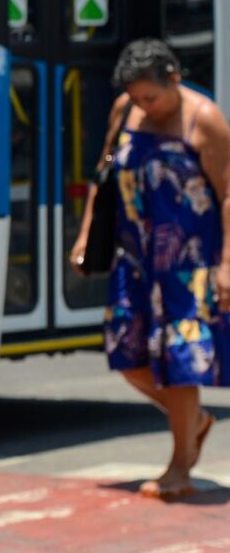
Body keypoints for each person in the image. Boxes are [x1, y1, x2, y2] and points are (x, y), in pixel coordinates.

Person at [72, 38, 229, 499]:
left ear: (174, 79)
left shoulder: (205, 120)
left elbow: (228, 195)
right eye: (137, 97)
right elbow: (103, 174)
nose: (144, 106)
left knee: (178, 364)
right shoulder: (124, 111)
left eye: (152, 97)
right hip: (135, 259)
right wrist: (85, 235)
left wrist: (227, 265)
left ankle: (180, 468)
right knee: (128, 356)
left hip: (186, 265)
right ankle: (193, 422)